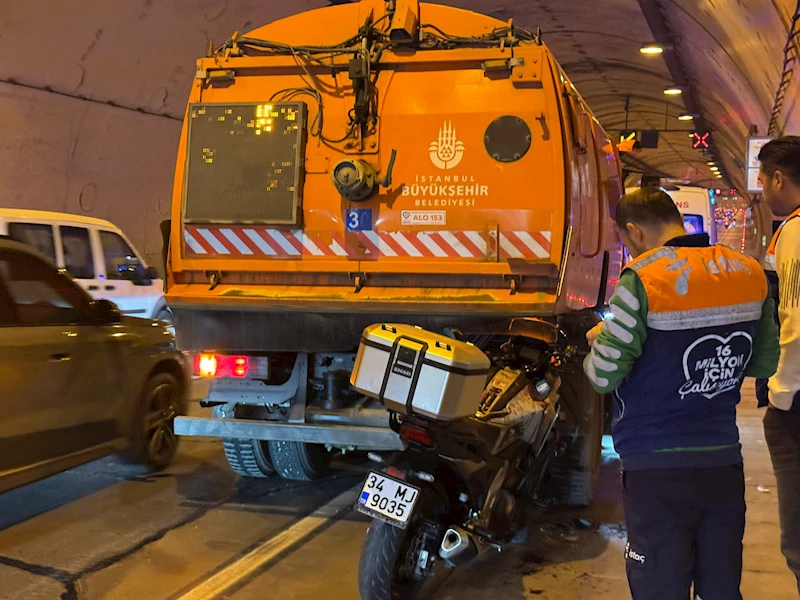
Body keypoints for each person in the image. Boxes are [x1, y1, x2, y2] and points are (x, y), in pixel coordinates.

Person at [583, 187, 780, 600]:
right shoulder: (748, 272)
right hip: (723, 462)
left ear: (633, 232)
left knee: (659, 586)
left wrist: (600, 341)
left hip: (655, 468)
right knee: (721, 587)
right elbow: (763, 364)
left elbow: (602, 376)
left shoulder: (642, 280)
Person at [758, 136, 800, 593]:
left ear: (779, 179)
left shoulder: (794, 230)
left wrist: (781, 392)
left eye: (763, 179)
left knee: (799, 542)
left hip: (799, 403)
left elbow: (796, 318)